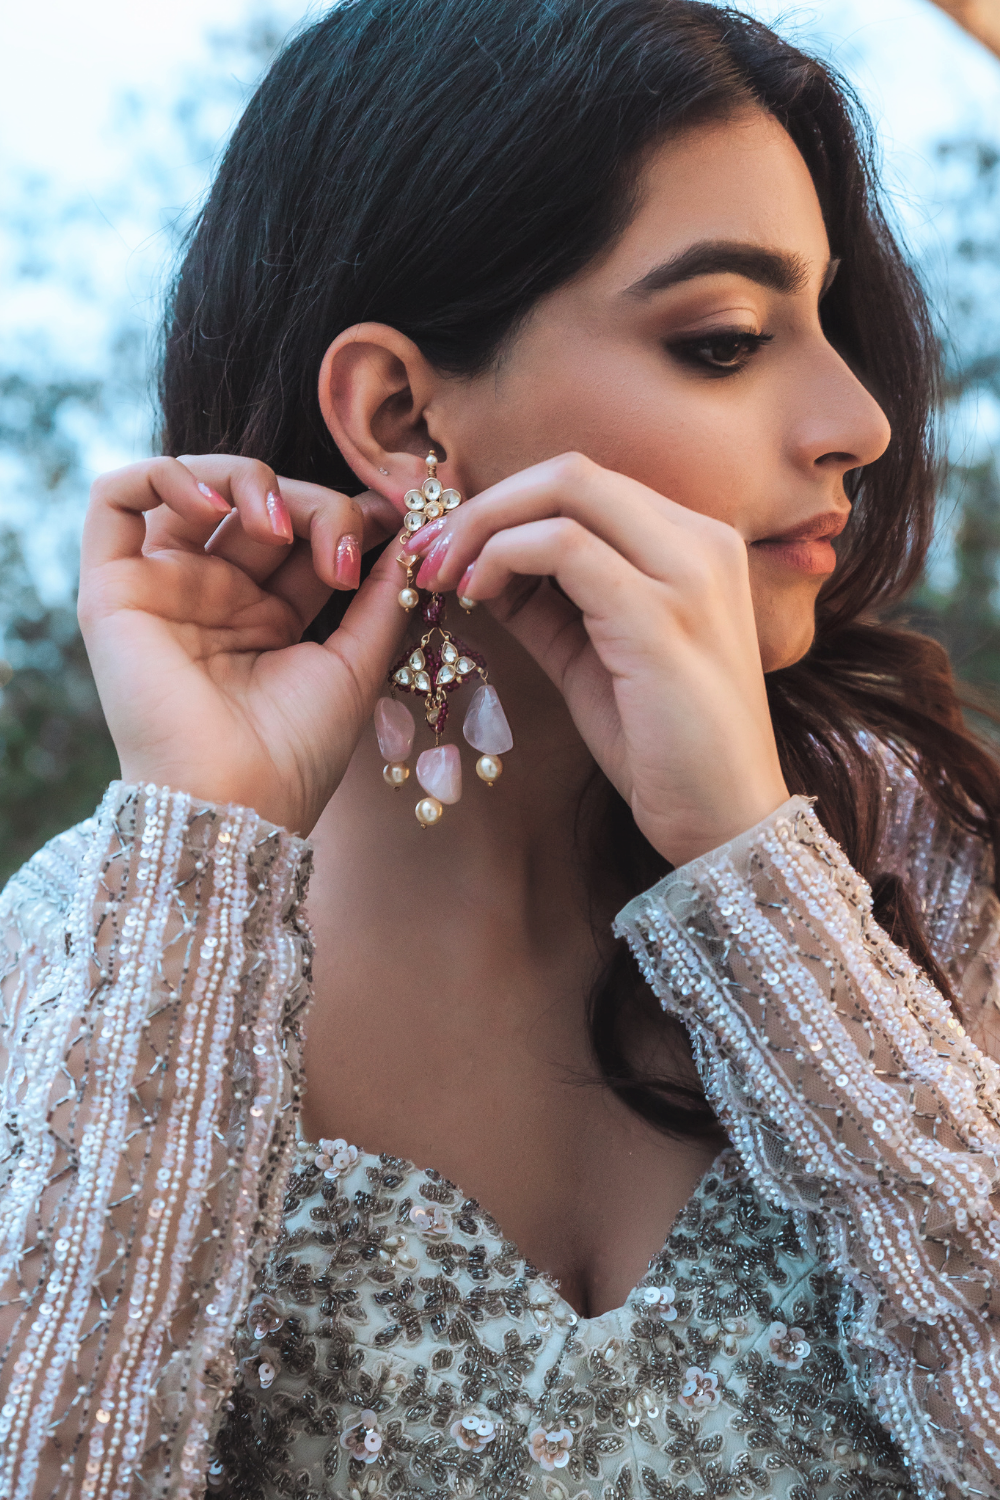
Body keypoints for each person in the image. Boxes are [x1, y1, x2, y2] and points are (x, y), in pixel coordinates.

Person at [4, 0, 1000, 1495]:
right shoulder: (86, 950)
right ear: (403, 417)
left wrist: (757, 872)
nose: (857, 415)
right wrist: (205, 852)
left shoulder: (924, 859)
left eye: (827, 325)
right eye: (725, 341)